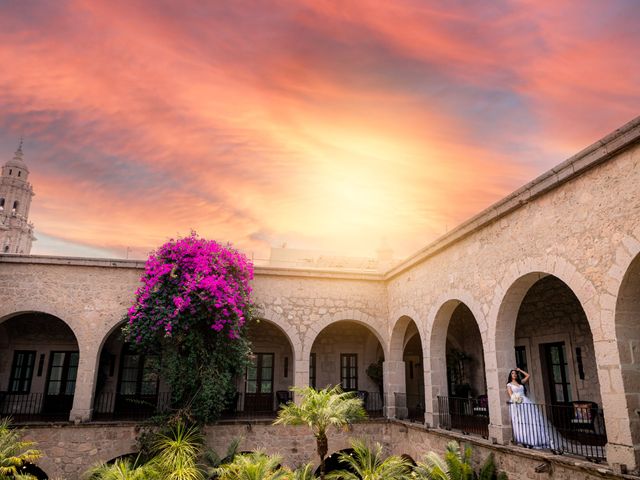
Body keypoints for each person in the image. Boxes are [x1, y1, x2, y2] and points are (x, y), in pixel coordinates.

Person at [506, 367, 553, 449]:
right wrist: (517, 401)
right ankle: (525, 440)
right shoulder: (509, 384)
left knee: (531, 419)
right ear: (510, 375)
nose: (514, 374)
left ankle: (536, 439)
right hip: (517, 403)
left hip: (526, 401)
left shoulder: (520, 382)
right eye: (512, 373)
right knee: (521, 421)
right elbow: (511, 395)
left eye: (515, 373)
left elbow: (528, 375)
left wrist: (520, 370)